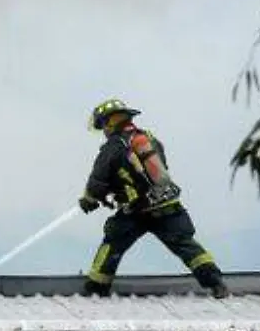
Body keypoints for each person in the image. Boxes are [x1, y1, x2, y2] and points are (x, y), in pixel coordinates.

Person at [78, 98, 229, 298]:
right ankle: (216, 283)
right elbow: (156, 172)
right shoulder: (148, 139)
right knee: (186, 245)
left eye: (104, 125)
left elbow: (98, 179)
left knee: (112, 244)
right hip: (166, 204)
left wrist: (89, 199)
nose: (104, 130)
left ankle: (96, 288)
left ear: (111, 122)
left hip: (136, 211)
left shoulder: (113, 147)